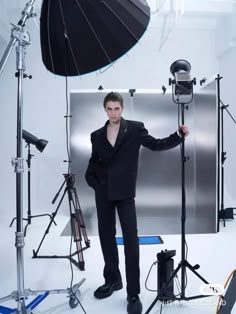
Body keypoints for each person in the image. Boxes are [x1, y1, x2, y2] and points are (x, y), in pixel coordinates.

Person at [85, 92, 189, 314]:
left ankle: (133, 292)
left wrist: (178, 136)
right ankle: (113, 280)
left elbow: (156, 144)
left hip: (124, 194)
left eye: (116, 108)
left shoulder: (134, 128)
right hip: (103, 195)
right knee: (106, 238)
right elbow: (93, 164)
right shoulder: (96, 135)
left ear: (122, 108)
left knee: (131, 242)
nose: (113, 113)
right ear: (105, 109)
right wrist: (94, 183)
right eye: (109, 109)